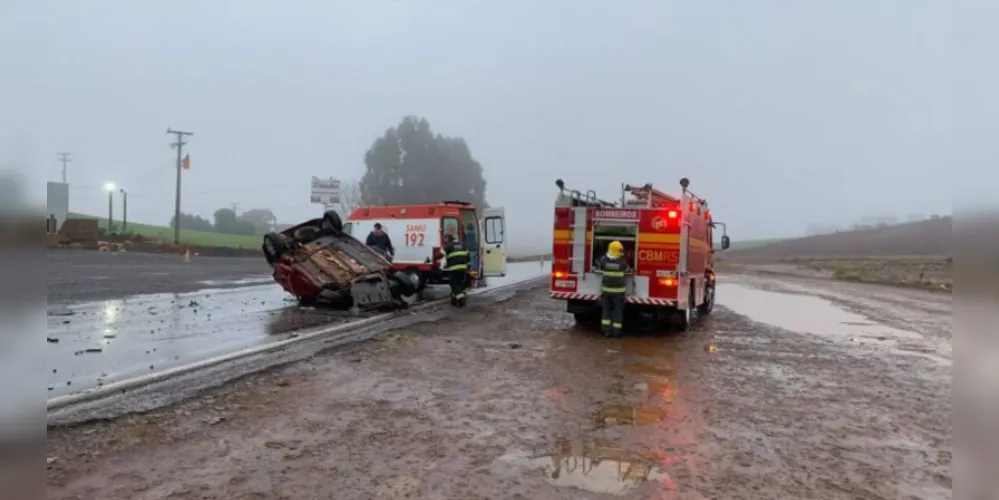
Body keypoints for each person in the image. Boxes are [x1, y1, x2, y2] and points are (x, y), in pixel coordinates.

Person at [597, 240, 629, 337]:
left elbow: (600, 265)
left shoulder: (604, 261)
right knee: (617, 311)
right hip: (618, 293)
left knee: (606, 310)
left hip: (606, 291)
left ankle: (606, 330)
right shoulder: (622, 263)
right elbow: (627, 269)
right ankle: (616, 332)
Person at [442, 233, 470, 307]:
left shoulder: (448, 246)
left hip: (454, 269)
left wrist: (430, 260)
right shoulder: (462, 245)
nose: (444, 240)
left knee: (454, 284)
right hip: (463, 268)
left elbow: (440, 255)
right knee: (458, 284)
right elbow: (468, 257)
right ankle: (454, 300)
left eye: (445, 239)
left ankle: (461, 300)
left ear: (448, 238)